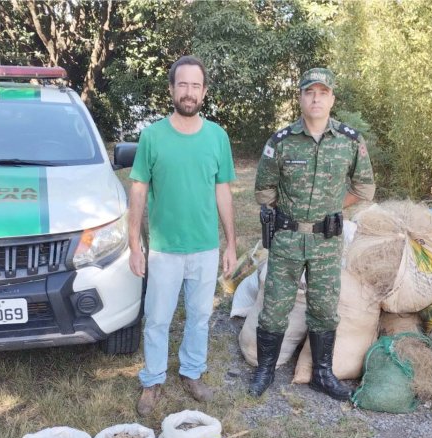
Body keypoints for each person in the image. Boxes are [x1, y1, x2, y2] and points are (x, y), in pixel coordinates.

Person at [249, 67, 376, 400]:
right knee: (275, 306)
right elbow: (264, 190)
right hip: (288, 238)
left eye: (322, 92)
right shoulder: (281, 141)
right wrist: (290, 213)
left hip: (326, 241)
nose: (316, 98)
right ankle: (264, 371)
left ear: (332, 98)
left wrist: (334, 205)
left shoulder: (350, 141)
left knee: (323, 307)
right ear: (301, 98)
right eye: (309, 92)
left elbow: (364, 188)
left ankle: (322, 373)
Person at [128, 55, 237, 416]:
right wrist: (134, 244)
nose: (188, 92)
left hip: (205, 247)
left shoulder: (217, 137)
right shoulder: (152, 136)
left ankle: (192, 372)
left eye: (195, 86)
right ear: (172, 89)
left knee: (199, 316)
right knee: (157, 318)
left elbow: (223, 191)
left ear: (203, 92)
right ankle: (153, 379)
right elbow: (139, 190)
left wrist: (231, 243)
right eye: (182, 85)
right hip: (164, 248)